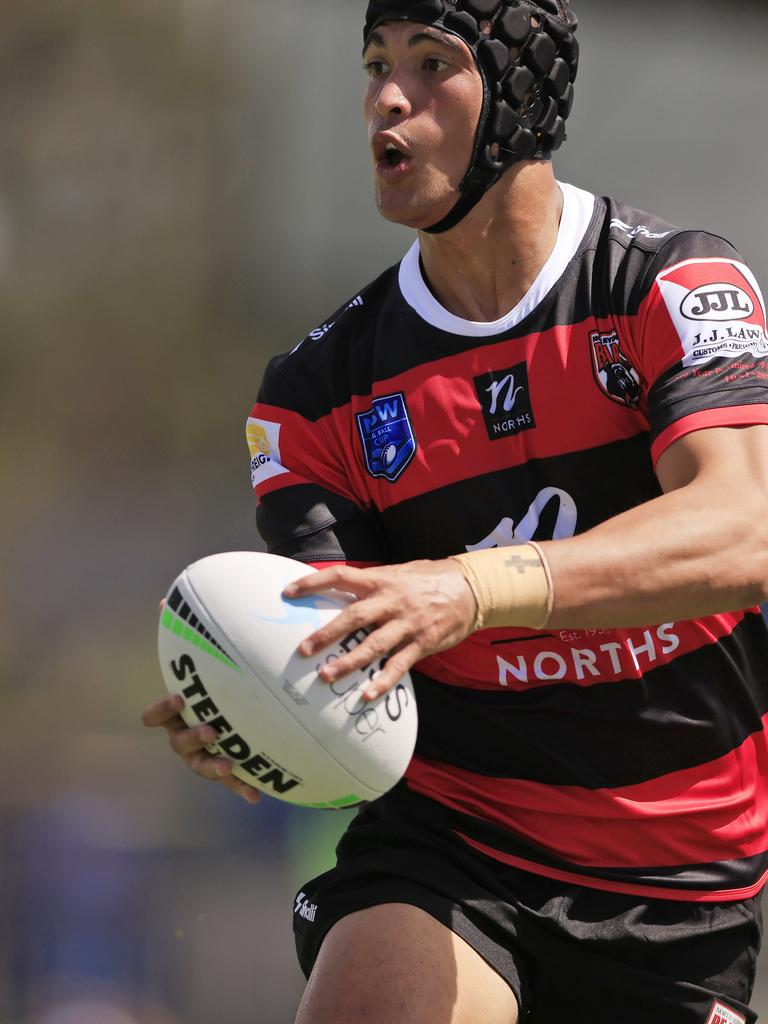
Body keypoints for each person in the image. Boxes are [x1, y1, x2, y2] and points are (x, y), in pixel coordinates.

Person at [143, 1, 768, 1020]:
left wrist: (472, 587)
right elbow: (338, 639)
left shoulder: (669, 284)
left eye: (433, 64)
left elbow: (747, 530)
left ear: (524, 93)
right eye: (376, 64)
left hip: (685, 889)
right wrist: (255, 697)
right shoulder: (316, 394)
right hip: (455, 846)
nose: (389, 96)